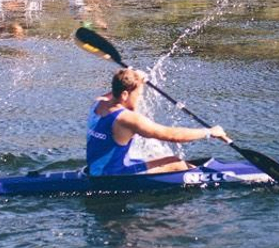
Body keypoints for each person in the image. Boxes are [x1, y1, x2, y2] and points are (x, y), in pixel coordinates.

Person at [86, 67, 229, 176]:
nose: (140, 98)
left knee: (157, 157)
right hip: (113, 177)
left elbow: (116, 90)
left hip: (96, 170)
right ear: (124, 94)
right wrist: (209, 132)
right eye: (138, 94)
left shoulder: (98, 103)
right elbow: (172, 135)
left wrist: (136, 81)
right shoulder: (126, 119)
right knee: (177, 163)